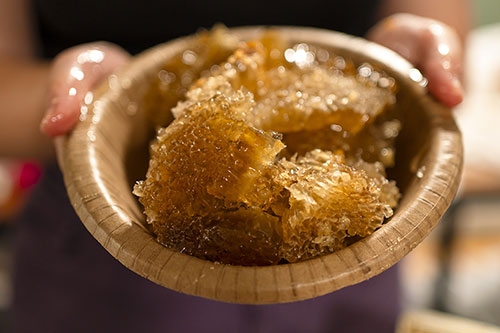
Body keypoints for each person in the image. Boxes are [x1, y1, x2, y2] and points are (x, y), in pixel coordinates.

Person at [0, 0, 471, 332]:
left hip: (351, 266)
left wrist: (408, 58)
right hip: (103, 246)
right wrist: (90, 102)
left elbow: (439, 34)